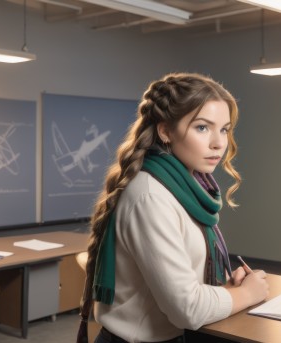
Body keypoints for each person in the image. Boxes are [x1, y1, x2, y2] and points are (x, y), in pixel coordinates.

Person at [77, 73, 269, 343]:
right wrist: (247, 294)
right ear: (166, 130)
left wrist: (228, 286)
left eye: (224, 129)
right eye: (202, 127)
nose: (219, 142)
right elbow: (186, 310)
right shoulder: (150, 196)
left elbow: (183, 276)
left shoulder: (186, 187)